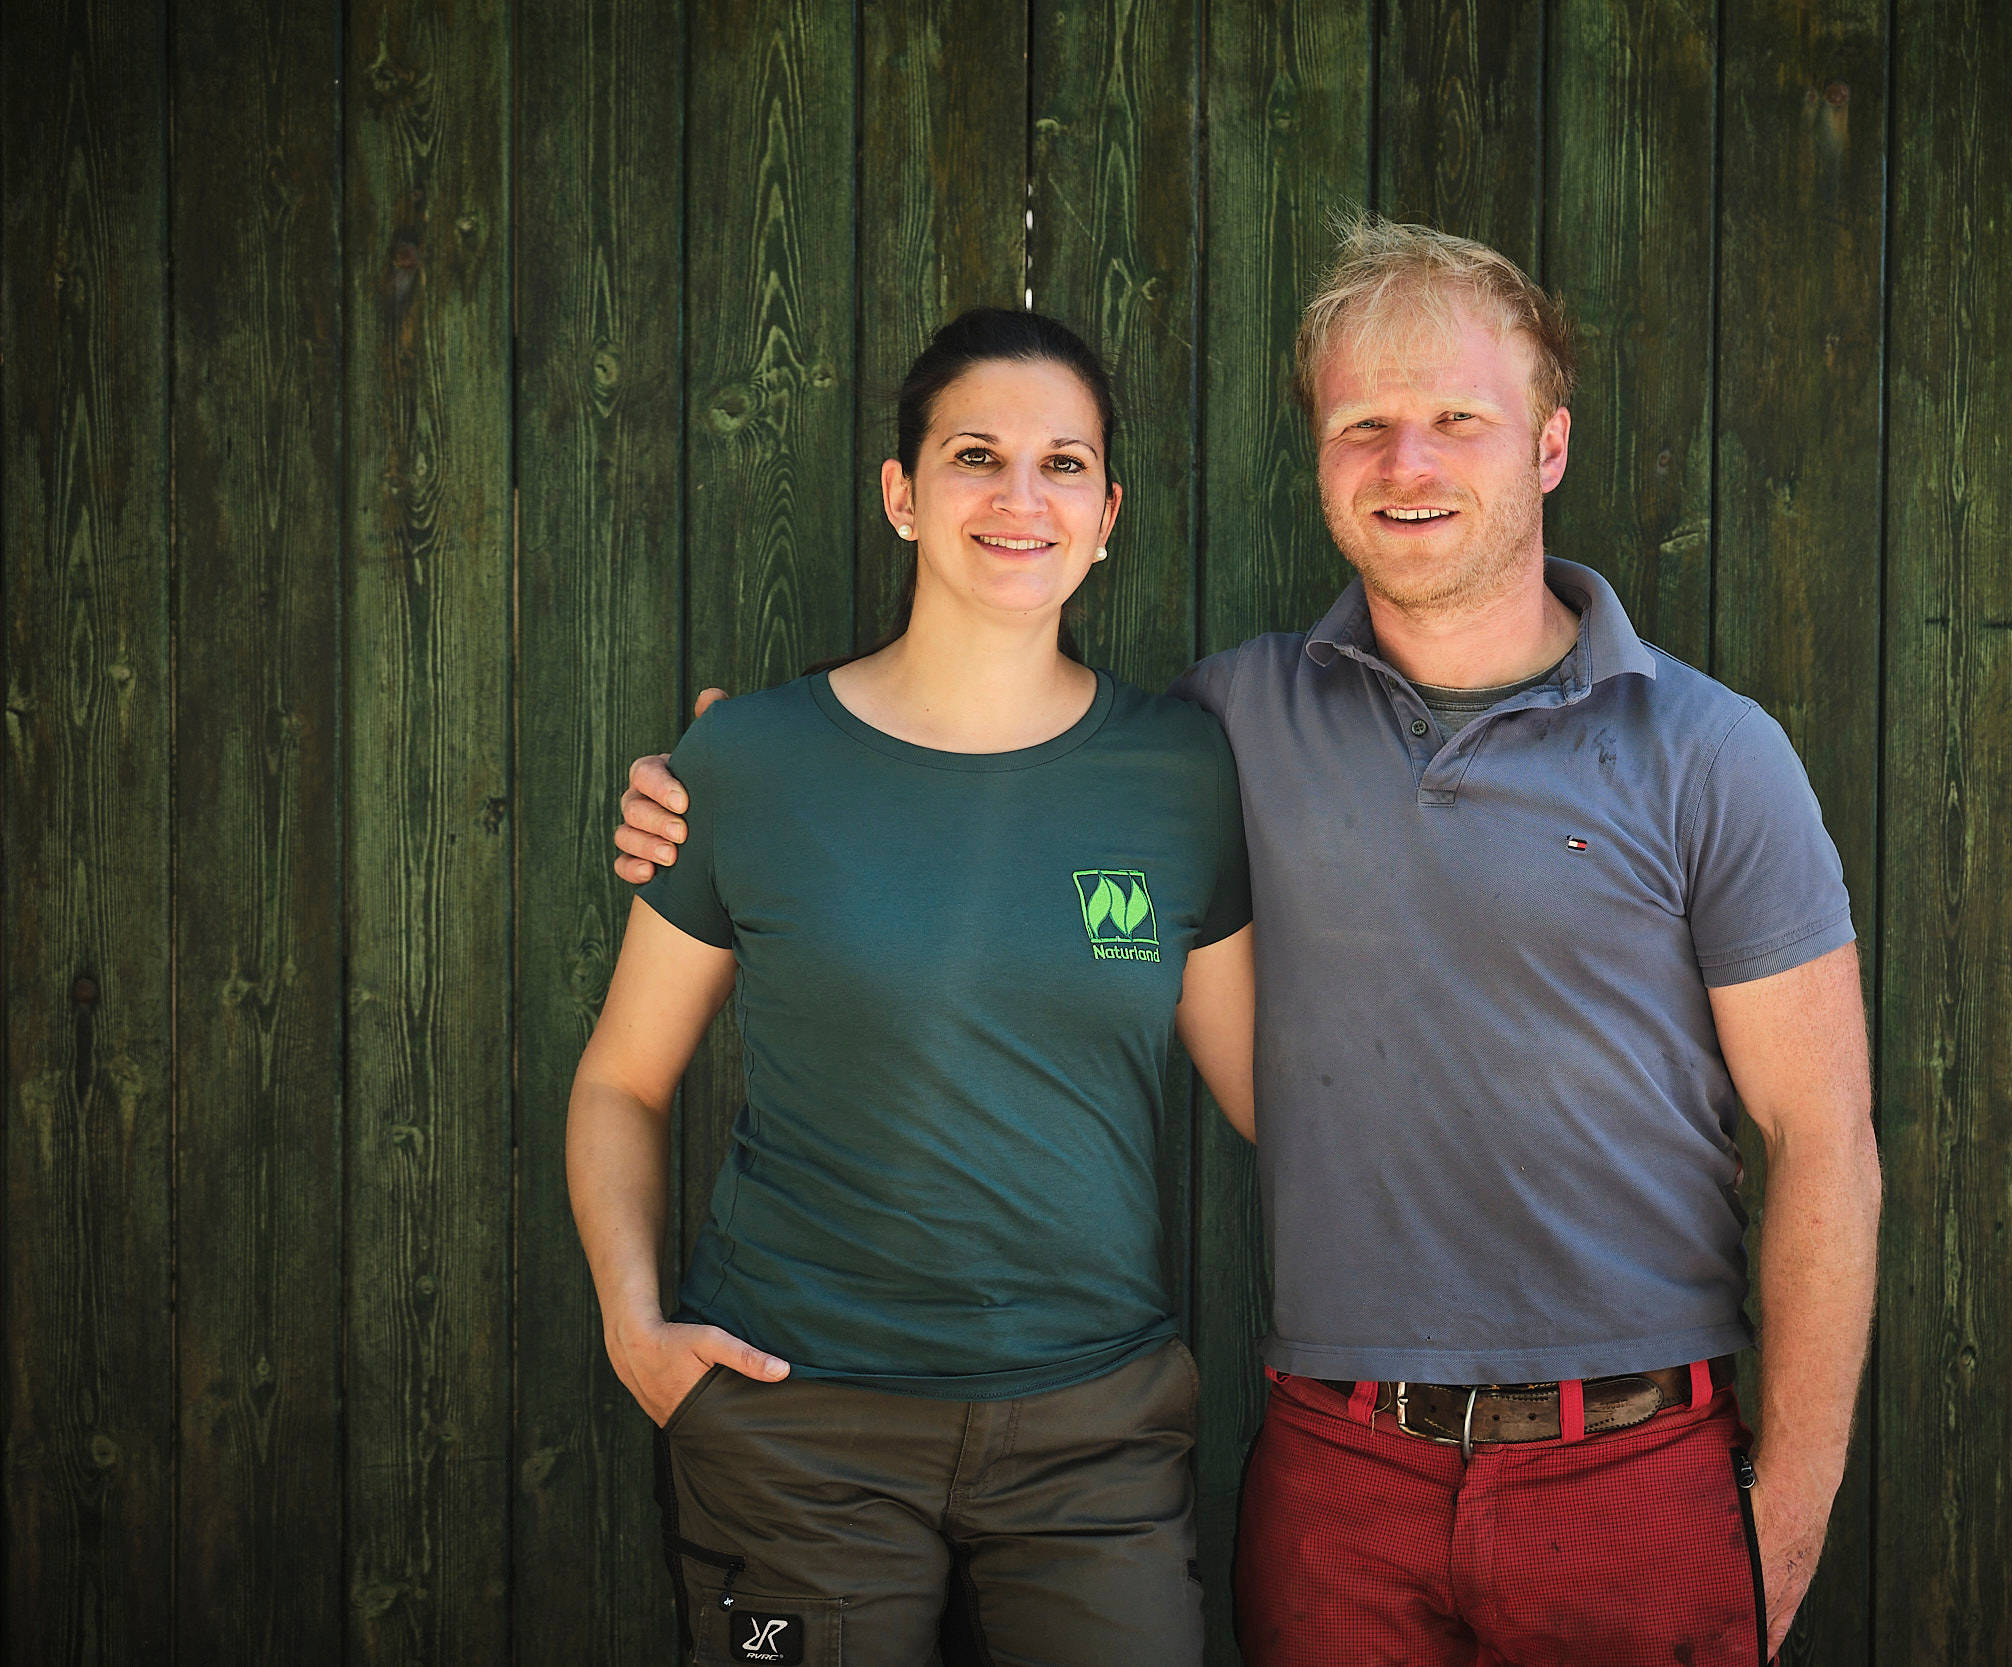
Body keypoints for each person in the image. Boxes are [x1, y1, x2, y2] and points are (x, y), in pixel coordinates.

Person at [614, 218, 1880, 1666]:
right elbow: (991, 755)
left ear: (1549, 446)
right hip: (1339, 1463)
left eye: (1459, 420)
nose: (1408, 462)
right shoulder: (1230, 724)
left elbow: (1824, 1139)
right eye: (1364, 426)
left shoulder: (1711, 752)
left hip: (1630, 1459)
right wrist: (729, 774)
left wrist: (1785, 1522)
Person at [568, 306, 1256, 1667]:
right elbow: (622, 1082)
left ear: (1108, 516)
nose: (1020, 497)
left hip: (1095, 1435)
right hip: (796, 1426)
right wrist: (633, 1327)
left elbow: (1278, 1100)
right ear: (901, 495)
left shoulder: (1181, 775)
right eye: (974, 456)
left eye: (1064, 465)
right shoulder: (753, 761)